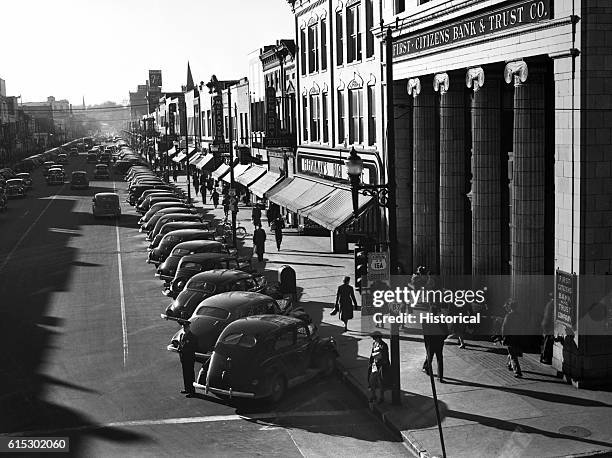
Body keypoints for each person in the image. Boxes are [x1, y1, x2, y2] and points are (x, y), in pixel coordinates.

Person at [422, 305, 448, 382]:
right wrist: (442, 339)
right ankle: (440, 377)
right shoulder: (441, 320)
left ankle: (427, 369)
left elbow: (425, 335)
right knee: (440, 358)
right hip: (439, 341)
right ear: (437, 312)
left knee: (430, 357)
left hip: (430, 342)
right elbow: (446, 332)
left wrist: (426, 345)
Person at [502, 299, 523, 377]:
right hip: (517, 337)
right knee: (512, 352)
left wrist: (503, 337)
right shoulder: (520, 315)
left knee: (513, 355)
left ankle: (517, 371)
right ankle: (509, 364)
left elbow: (504, 327)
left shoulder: (509, 316)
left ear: (510, 307)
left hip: (510, 337)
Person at [368, 331, 390, 404]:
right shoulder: (374, 344)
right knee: (372, 381)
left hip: (381, 365)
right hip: (375, 365)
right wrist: (371, 362)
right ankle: (373, 395)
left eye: (374, 338)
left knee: (381, 382)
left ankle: (381, 397)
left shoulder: (384, 345)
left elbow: (385, 356)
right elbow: (372, 354)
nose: (373, 339)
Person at [178, 321, 197, 396]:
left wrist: (184, 349)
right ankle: (187, 388)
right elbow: (181, 345)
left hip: (189, 358)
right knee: (185, 374)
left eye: (185, 327)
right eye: (183, 327)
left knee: (190, 374)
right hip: (183, 358)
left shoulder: (193, 337)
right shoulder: (182, 335)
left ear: (189, 328)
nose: (184, 329)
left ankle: (192, 391)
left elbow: (193, 347)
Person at [540, 293, 554, 364]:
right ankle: (545, 357)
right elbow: (551, 316)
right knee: (548, 342)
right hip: (548, 325)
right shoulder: (552, 304)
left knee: (546, 341)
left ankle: (543, 356)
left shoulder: (548, 303)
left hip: (545, 324)